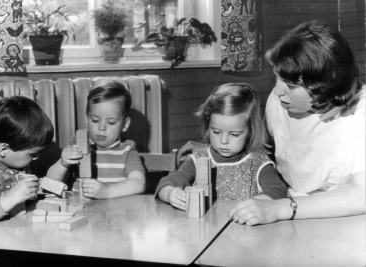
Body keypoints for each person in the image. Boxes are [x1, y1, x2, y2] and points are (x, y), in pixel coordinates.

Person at [178, 20, 365, 225]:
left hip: (340, 221)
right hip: (284, 211)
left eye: (292, 85)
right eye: (277, 77)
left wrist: (283, 207)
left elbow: (361, 196)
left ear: (327, 85)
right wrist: (211, 150)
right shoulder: (279, 102)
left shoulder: (362, 111)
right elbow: (260, 149)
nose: (277, 91)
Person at [155, 83, 287, 210]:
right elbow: (168, 182)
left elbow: (278, 190)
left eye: (234, 134)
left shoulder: (258, 162)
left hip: (244, 230)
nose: (223, 141)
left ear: (250, 131)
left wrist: (257, 203)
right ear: (208, 127)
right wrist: (169, 193)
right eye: (216, 132)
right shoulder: (199, 159)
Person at [47, 79, 146, 199]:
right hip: (81, 212)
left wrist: (108, 191)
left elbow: (139, 183)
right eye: (95, 120)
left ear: (125, 124)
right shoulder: (78, 146)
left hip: (116, 213)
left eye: (111, 122)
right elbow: (50, 184)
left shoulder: (127, 151)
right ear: (86, 120)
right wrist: (62, 164)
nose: (101, 127)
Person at [0, 96, 54, 225]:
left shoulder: (14, 160)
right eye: (32, 154)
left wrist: (38, 193)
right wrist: (11, 197)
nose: (36, 158)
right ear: (4, 149)